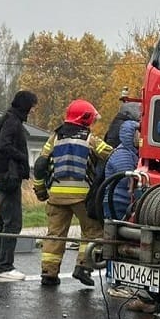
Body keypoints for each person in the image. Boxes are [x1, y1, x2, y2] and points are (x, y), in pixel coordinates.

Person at [33, 99, 113, 287]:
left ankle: (48, 274)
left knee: (55, 234)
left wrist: (40, 190)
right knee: (92, 233)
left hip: (56, 196)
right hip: (82, 198)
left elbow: (40, 164)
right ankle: (83, 268)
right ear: (86, 119)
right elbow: (110, 154)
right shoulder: (90, 138)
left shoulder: (54, 137)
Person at [0, 90, 39, 281]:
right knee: (13, 223)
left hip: (5, 176)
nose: (31, 111)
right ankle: (5, 265)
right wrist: (23, 157)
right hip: (8, 178)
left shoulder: (9, 118)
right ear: (24, 105)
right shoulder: (13, 121)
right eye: (31, 106)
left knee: (3, 222)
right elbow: (3, 146)